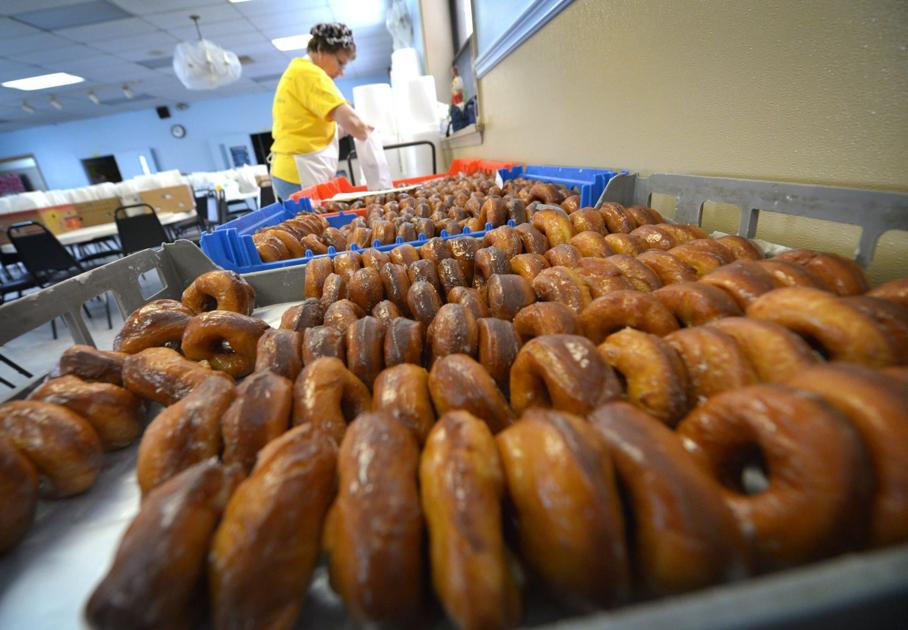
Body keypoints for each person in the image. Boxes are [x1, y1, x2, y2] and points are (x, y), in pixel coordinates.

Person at [269, 23, 372, 201]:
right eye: (340, 63)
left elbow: (316, 128)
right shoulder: (309, 74)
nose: (341, 72)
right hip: (298, 172)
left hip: (292, 170)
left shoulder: (299, 71)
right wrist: (367, 132)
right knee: (312, 219)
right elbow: (354, 124)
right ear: (321, 51)